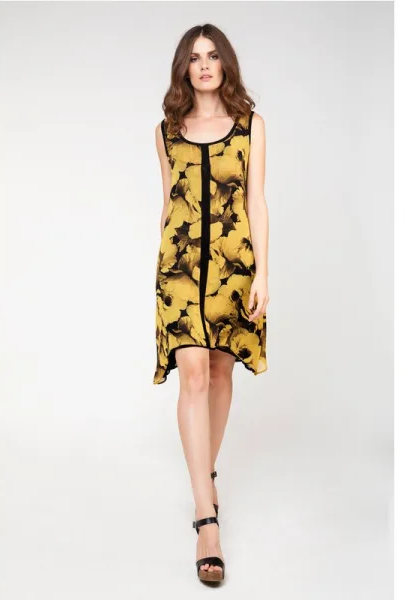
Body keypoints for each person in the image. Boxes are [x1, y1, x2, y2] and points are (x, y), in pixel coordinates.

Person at [153, 23, 269, 584]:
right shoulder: (166, 131)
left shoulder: (250, 126)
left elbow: (256, 201)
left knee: (221, 372)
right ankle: (207, 519)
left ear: (226, 65)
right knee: (193, 374)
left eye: (213, 55)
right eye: (195, 57)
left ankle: (207, 476)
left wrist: (263, 273)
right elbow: (168, 203)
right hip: (179, 269)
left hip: (233, 267)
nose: (204, 65)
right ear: (184, 67)